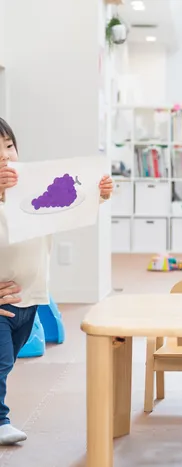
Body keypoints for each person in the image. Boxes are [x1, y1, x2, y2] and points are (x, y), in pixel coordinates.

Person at [0, 117, 114, 444]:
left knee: (7, 363)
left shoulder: (31, 189)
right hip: (3, 305)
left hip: (32, 298)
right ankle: (0, 420)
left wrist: (99, 192)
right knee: (1, 363)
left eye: (9, 147)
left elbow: (68, 200)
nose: (5, 157)